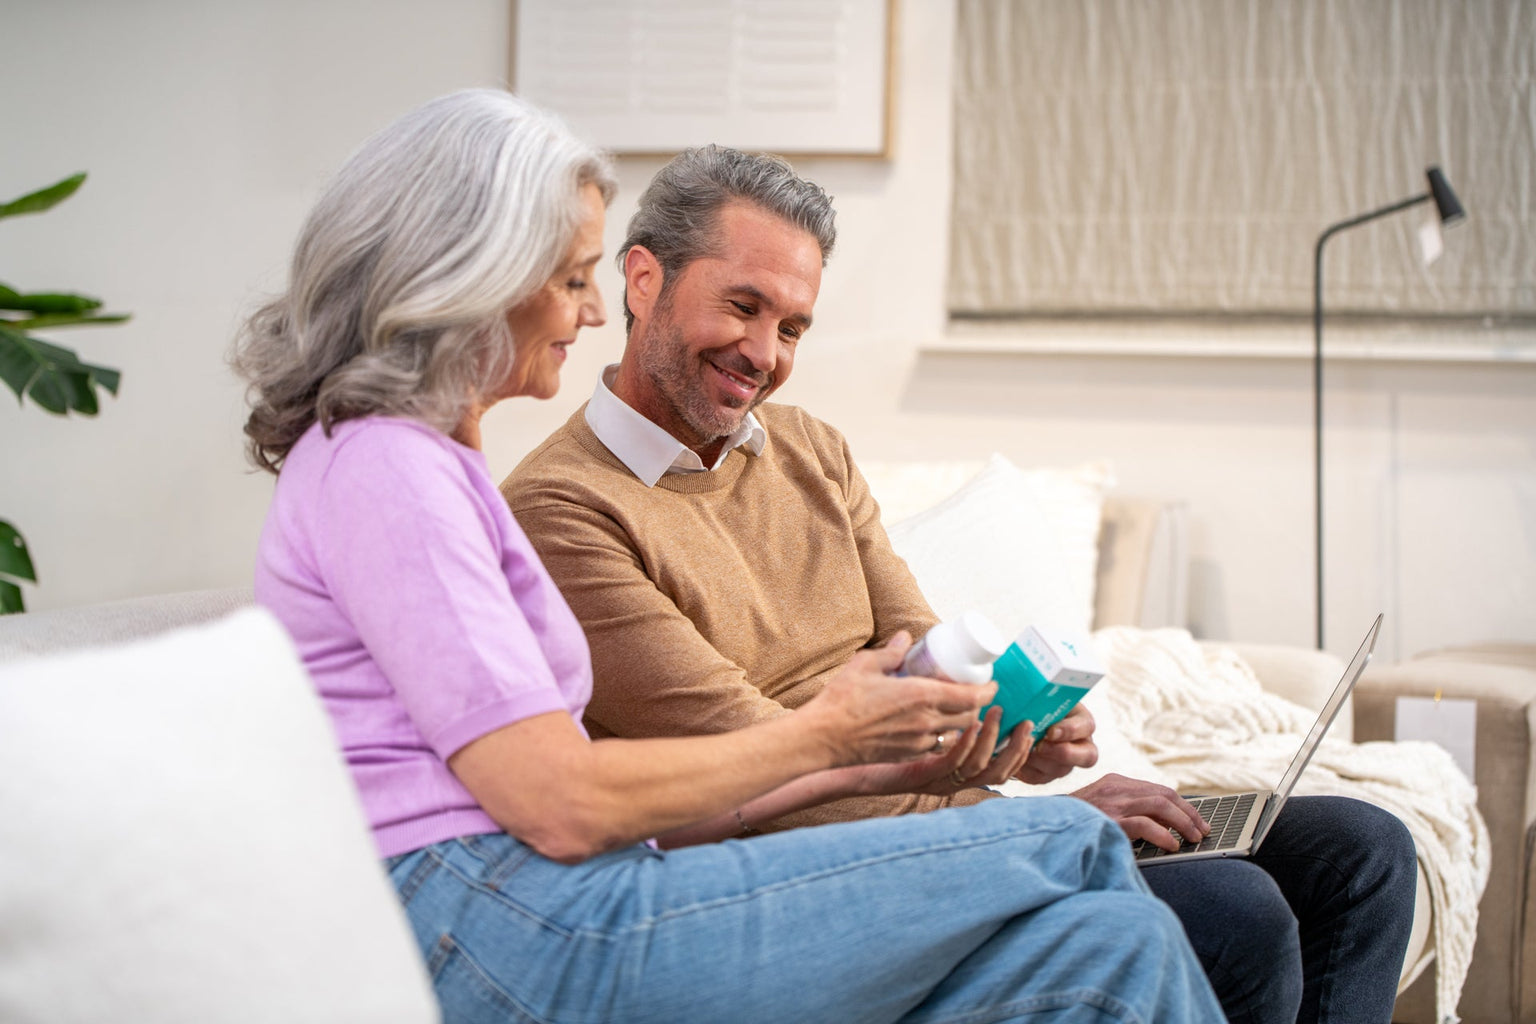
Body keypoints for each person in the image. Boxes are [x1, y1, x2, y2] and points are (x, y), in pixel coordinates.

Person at [233, 89, 1223, 1024]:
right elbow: (562, 802)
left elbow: (581, 784)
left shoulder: (424, 462)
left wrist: (882, 745)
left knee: (1113, 943)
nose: (586, 313)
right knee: (1073, 837)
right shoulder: (386, 467)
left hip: (562, 886)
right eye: (574, 278)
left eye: (791, 324)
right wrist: (826, 733)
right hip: (490, 922)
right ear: (476, 269)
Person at [502, 143, 1420, 1024]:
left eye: (792, 327)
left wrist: (1022, 726)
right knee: (1236, 909)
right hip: (822, 874)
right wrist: (1053, 816)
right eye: (742, 306)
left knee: (1362, 850)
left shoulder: (811, 450)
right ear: (643, 279)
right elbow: (755, 754)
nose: (764, 352)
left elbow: (934, 658)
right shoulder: (563, 509)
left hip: (968, 830)